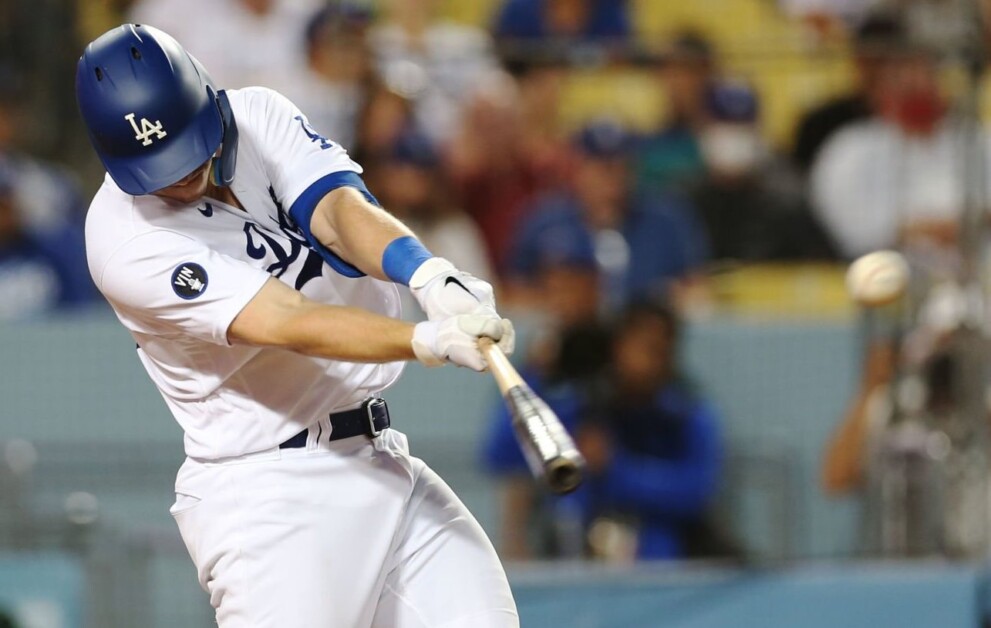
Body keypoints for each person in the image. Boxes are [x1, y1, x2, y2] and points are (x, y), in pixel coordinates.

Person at [75, 25, 518, 627]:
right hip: (269, 496)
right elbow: (289, 320)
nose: (176, 175)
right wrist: (425, 338)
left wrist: (427, 275)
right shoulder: (124, 241)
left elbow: (337, 211)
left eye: (182, 145)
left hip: (380, 458)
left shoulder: (256, 114)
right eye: (155, 165)